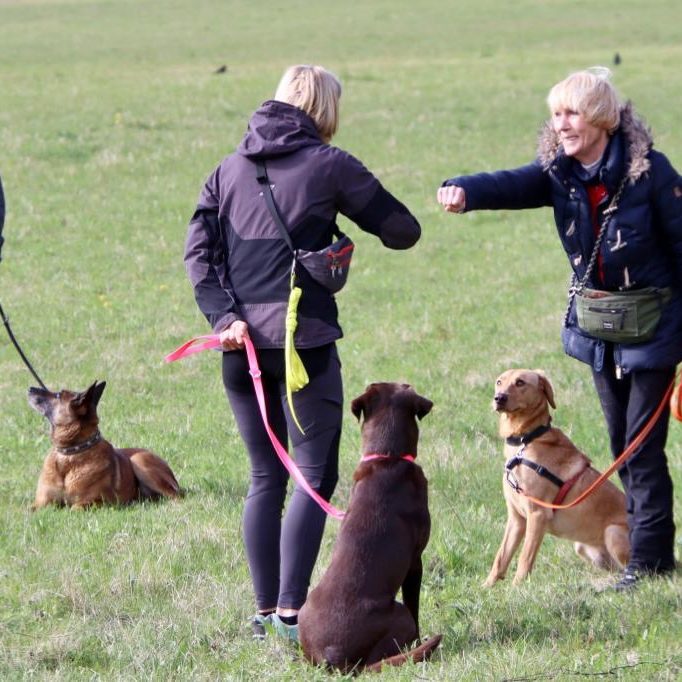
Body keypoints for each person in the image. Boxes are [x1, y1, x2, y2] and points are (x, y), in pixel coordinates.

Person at [184, 64, 421, 637]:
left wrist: (225, 317)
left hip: (239, 348)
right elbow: (403, 230)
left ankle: (264, 612)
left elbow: (198, 255)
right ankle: (292, 612)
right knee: (311, 477)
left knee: (265, 477)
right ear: (325, 111)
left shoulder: (227, 169)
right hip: (302, 347)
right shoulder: (330, 165)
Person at [437, 67, 681, 590]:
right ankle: (648, 553)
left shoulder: (651, 173)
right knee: (622, 439)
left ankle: (651, 560)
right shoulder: (559, 172)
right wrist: (463, 189)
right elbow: (512, 182)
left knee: (640, 446)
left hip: (654, 328)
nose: (561, 124)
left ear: (600, 119)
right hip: (601, 331)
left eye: (570, 113)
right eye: (556, 114)